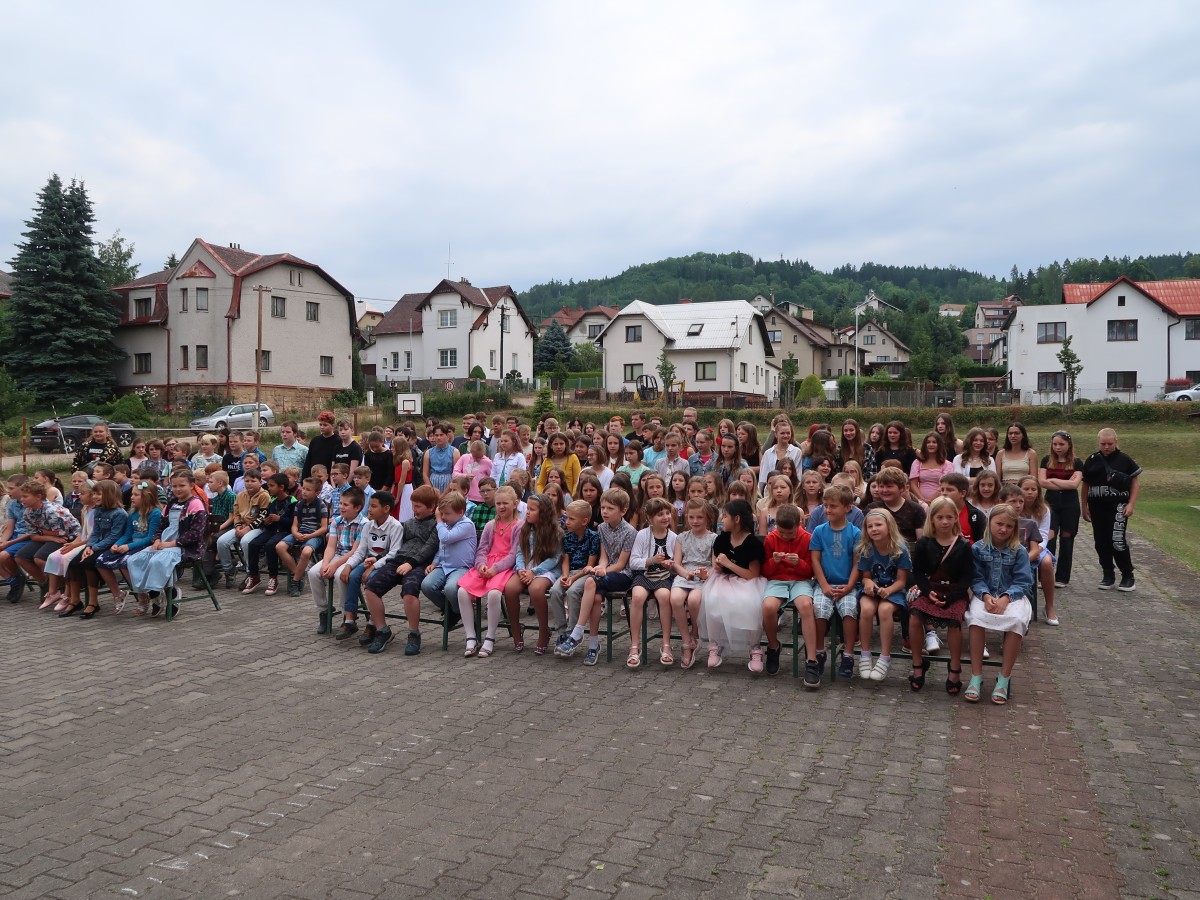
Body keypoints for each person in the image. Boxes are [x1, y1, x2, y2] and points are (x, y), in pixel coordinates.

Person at [557, 487, 637, 665]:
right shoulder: (601, 528)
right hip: (605, 574)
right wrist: (600, 567)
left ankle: (577, 632)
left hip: (623, 576)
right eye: (603, 508)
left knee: (590, 582)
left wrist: (603, 571)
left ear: (623, 511)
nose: (605, 512)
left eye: (610, 508)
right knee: (595, 599)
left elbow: (621, 564)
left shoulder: (630, 532)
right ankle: (593, 645)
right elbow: (604, 557)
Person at [963, 503, 1034, 705]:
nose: (1003, 529)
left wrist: (1005, 598)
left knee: (1017, 620)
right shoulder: (977, 548)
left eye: (1009, 526)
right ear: (989, 523)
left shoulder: (1019, 551)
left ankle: (1004, 676)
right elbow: (976, 577)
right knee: (976, 618)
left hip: (1012, 596)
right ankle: (976, 675)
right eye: (999, 524)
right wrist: (986, 596)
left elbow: (1023, 581)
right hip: (984, 594)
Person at [907, 496, 975, 694]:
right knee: (914, 616)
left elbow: (967, 577)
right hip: (930, 589)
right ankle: (918, 663)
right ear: (932, 519)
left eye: (949, 517)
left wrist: (951, 597)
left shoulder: (963, 545)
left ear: (955, 518)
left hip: (955, 592)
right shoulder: (924, 543)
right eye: (940, 517)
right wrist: (928, 592)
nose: (945, 521)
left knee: (955, 621)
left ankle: (954, 667)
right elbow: (918, 572)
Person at [126, 469, 208, 614]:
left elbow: (195, 534)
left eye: (182, 486)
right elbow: (161, 526)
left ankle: (171, 592)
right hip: (164, 544)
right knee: (135, 560)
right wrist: (157, 540)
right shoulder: (171, 504)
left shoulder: (196, 504)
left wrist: (172, 543)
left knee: (157, 561)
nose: (178, 489)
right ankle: (154, 593)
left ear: (191, 485)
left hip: (185, 547)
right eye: (174, 486)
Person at [455, 485, 522, 659]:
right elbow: (482, 549)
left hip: (503, 568)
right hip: (486, 566)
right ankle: (471, 637)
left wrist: (495, 568)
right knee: (462, 591)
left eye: (505, 503)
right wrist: (481, 565)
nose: (501, 507)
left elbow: (513, 555)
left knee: (494, 593)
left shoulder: (518, 526)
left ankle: (490, 637)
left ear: (515, 504)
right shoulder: (490, 525)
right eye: (498, 503)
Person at [760, 503, 821, 685]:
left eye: (790, 533)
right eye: (782, 532)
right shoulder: (771, 539)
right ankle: (773, 646)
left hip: (800, 580)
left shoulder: (808, 538)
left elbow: (810, 571)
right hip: (777, 580)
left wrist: (799, 563)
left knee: (806, 606)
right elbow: (765, 571)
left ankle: (812, 660)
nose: (785, 537)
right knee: (768, 607)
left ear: (799, 525)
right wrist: (774, 562)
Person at [702, 499, 766, 669]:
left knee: (752, 603)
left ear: (736, 519)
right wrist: (717, 565)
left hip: (748, 581)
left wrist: (729, 564)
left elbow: (753, 574)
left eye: (725, 516)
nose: (722, 519)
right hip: (723, 579)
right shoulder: (722, 539)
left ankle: (755, 647)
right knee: (712, 598)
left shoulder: (753, 544)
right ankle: (715, 644)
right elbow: (716, 564)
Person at [333, 490, 403, 640]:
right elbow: (360, 551)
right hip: (368, 562)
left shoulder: (395, 526)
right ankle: (350, 619)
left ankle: (372, 623)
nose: (369, 509)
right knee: (352, 576)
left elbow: (393, 554)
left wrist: (373, 566)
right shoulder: (368, 526)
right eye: (369, 505)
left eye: (373, 506)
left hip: (385, 564)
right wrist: (348, 565)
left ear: (386, 508)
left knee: (371, 580)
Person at [810, 484, 862, 679]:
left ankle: (848, 654)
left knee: (849, 609)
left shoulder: (855, 533)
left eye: (833, 506)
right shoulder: (819, 531)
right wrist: (823, 585)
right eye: (826, 505)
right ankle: (819, 651)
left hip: (847, 585)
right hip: (824, 584)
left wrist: (849, 586)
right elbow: (815, 560)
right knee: (819, 609)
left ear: (848, 508)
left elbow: (857, 563)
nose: (828, 510)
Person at [855, 508, 912, 683]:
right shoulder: (866, 549)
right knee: (866, 609)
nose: (874, 529)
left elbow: (902, 581)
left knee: (885, 610)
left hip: (893, 590)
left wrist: (889, 590)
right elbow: (865, 576)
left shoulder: (900, 550)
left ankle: (885, 656)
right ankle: (865, 653)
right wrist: (868, 583)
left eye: (878, 525)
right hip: (872, 590)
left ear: (889, 526)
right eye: (870, 526)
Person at [1081, 428, 1141, 592]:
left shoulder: (1125, 459)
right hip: (1097, 507)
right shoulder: (1092, 460)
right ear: (1098, 442)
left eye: (1110, 443)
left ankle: (1128, 575)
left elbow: (1134, 482)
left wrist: (1131, 504)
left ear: (1116, 442)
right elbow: (1085, 484)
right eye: (1103, 444)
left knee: (1117, 540)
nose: (1106, 447)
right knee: (1101, 542)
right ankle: (1108, 574)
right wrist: (1084, 507)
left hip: (1118, 507)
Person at [503, 493, 563, 655]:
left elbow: (555, 558)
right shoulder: (525, 529)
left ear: (543, 512)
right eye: (527, 508)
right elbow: (520, 552)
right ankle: (516, 628)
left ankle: (544, 631)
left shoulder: (556, 532)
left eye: (532, 509)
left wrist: (534, 572)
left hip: (547, 569)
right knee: (510, 589)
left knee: (536, 589)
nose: (527, 512)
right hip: (527, 567)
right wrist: (520, 569)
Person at [626, 497, 678, 669]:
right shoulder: (642, 535)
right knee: (637, 597)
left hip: (664, 576)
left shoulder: (674, 537)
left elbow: (678, 564)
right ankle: (635, 645)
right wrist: (651, 560)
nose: (665, 517)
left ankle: (666, 644)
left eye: (667, 513)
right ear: (649, 518)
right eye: (660, 515)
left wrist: (670, 564)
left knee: (664, 596)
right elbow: (633, 562)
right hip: (644, 575)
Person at [65, 480, 128, 620]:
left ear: (110, 495)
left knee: (89, 564)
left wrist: (94, 548)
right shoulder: (98, 510)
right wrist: (88, 546)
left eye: (98, 494)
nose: (94, 497)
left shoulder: (119, 514)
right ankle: (75, 601)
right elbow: (95, 532)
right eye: (94, 494)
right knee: (73, 564)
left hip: (110, 547)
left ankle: (93, 602)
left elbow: (114, 536)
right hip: (95, 545)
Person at [96, 482, 162, 615]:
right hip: (131, 545)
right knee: (101, 560)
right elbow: (127, 534)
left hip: (145, 547)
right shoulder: (132, 513)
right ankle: (118, 593)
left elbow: (150, 538)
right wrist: (117, 544)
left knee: (125, 562)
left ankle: (141, 595)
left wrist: (128, 546)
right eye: (132, 494)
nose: (131, 497)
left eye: (136, 495)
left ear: (147, 497)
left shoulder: (155, 513)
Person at [418, 491, 478, 637]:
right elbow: (442, 546)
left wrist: (438, 520)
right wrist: (434, 562)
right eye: (442, 513)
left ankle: (458, 612)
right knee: (427, 585)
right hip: (444, 566)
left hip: (461, 567)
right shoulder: (447, 524)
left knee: (451, 588)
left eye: (447, 514)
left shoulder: (466, 524)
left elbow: (445, 538)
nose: (443, 517)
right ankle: (453, 610)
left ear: (461, 512)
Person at [544, 500, 600, 653]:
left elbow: (590, 565)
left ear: (584, 521)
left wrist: (573, 579)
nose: (567, 522)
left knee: (572, 592)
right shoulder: (567, 537)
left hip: (585, 573)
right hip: (570, 572)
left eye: (571, 519)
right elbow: (565, 559)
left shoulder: (593, 537)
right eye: (566, 518)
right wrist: (565, 576)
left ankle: (573, 633)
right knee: (555, 591)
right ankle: (561, 632)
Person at [310, 488, 367, 635]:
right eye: (340, 503)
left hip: (354, 558)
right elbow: (331, 546)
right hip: (338, 554)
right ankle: (324, 610)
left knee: (339, 575)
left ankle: (347, 614)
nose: (341, 507)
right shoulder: (337, 521)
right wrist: (325, 563)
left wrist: (335, 565)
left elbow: (355, 551)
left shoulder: (364, 524)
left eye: (345, 505)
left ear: (357, 507)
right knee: (313, 572)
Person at [1039, 430, 1083, 589]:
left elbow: (1074, 484)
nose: (1058, 447)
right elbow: (1042, 482)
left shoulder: (1077, 462)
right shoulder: (1046, 460)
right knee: (1049, 537)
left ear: (1069, 445)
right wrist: (1064, 483)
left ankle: (1062, 577)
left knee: (1067, 538)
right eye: (1055, 444)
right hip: (1051, 503)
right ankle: (1045, 575)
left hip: (1070, 504)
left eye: (1061, 444)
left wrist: (1052, 479)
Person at [240, 474, 295, 595]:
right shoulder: (273, 501)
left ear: (281, 487)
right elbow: (269, 523)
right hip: (272, 531)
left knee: (270, 545)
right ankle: (254, 576)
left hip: (286, 532)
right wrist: (267, 522)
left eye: (271, 486)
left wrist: (279, 519)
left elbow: (294, 523)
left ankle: (273, 578)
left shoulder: (292, 502)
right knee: (253, 544)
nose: (268, 488)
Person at [215, 469, 270, 589]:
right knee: (221, 541)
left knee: (246, 541)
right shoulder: (240, 495)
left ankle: (251, 572)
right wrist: (238, 526)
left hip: (258, 528)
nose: (249, 483)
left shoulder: (264, 496)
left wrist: (248, 528)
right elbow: (236, 514)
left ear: (260, 482)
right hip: (241, 526)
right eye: (247, 481)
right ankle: (229, 570)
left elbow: (262, 516)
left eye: (253, 481)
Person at [276, 476, 329, 596]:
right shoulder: (299, 504)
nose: (304, 491)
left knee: (306, 552)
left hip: (315, 535)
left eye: (308, 489)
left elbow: (324, 528)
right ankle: (298, 574)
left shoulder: (321, 505)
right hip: (300, 532)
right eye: (303, 488)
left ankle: (295, 581)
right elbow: (295, 525)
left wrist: (310, 536)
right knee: (279, 547)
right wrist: (295, 533)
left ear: (317, 492)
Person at [758, 420, 803, 491]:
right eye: (782, 433)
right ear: (776, 435)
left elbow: (798, 475)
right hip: (771, 490)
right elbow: (763, 477)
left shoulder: (797, 452)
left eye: (788, 433)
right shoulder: (768, 453)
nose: (786, 436)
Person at [909, 432, 954, 503]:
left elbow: (945, 485)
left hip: (940, 501)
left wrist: (931, 500)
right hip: (920, 501)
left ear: (939, 445)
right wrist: (922, 500)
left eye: (934, 442)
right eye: (928, 442)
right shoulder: (917, 462)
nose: (931, 444)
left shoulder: (947, 465)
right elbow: (913, 484)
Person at [302, 412, 341, 481]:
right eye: (320, 424)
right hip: (314, 479)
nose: (322, 427)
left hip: (329, 479)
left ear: (332, 425)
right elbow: (308, 461)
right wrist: (304, 479)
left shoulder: (338, 441)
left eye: (325, 425)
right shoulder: (315, 440)